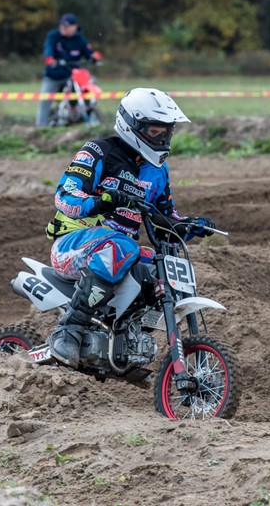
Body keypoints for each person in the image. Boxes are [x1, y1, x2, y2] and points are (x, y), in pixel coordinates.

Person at [45, 87, 216, 367]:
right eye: (155, 132)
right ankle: (69, 328)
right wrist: (102, 201)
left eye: (167, 132)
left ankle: (125, 339)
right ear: (132, 124)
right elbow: (64, 195)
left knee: (154, 261)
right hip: (73, 246)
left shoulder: (157, 170)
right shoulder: (98, 152)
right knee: (123, 246)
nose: (162, 138)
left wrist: (189, 226)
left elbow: (164, 220)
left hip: (117, 254)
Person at [36, 12, 102, 127]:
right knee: (45, 100)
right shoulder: (53, 36)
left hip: (72, 74)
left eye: (67, 26)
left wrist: (94, 57)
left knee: (91, 81)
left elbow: (89, 53)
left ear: (74, 27)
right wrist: (50, 59)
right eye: (62, 25)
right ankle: (40, 126)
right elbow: (48, 49)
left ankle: (86, 109)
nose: (63, 28)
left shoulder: (80, 40)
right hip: (54, 75)